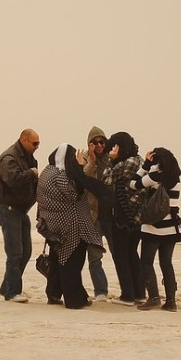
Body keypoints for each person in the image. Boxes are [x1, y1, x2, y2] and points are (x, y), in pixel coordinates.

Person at [36, 144, 109, 309]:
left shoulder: (48, 171)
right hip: (70, 228)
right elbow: (73, 192)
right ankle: (74, 300)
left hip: (54, 226)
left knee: (57, 261)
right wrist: (80, 167)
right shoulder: (60, 176)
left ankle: (54, 294)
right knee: (71, 263)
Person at [130, 148, 181, 311]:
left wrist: (146, 165)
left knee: (146, 262)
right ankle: (171, 301)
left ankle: (153, 297)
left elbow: (133, 183)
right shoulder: (176, 179)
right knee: (166, 264)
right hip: (173, 228)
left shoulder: (154, 176)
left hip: (153, 227)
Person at [0, 128, 40, 303]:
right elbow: (12, 179)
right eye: (34, 143)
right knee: (15, 253)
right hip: (8, 209)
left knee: (26, 251)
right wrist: (32, 173)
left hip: (21, 210)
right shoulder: (9, 158)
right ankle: (12, 292)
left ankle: (7, 286)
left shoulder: (28, 157)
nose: (37, 147)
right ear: (24, 140)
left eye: (38, 143)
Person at [102, 132, 146, 306]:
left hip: (123, 218)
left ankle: (127, 295)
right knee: (133, 255)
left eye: (115, 146)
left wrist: (111, 160)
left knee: (121, 256)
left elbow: (106, 179)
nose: (113, 150)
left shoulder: (125, 163)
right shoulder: (141, 160)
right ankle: (140, 294)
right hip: (138, 218)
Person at [82, 126, 112, 301]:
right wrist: (91, 161)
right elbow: (82, 179)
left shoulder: (111, 159)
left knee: (119, 255)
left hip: (109, 215)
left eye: (102, 142)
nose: (99, 145)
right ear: (89, 144)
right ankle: (100, 291)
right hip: (92, 216)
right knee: (94, 256)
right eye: (95, 142)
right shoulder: (84, 159)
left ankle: (130, 291)